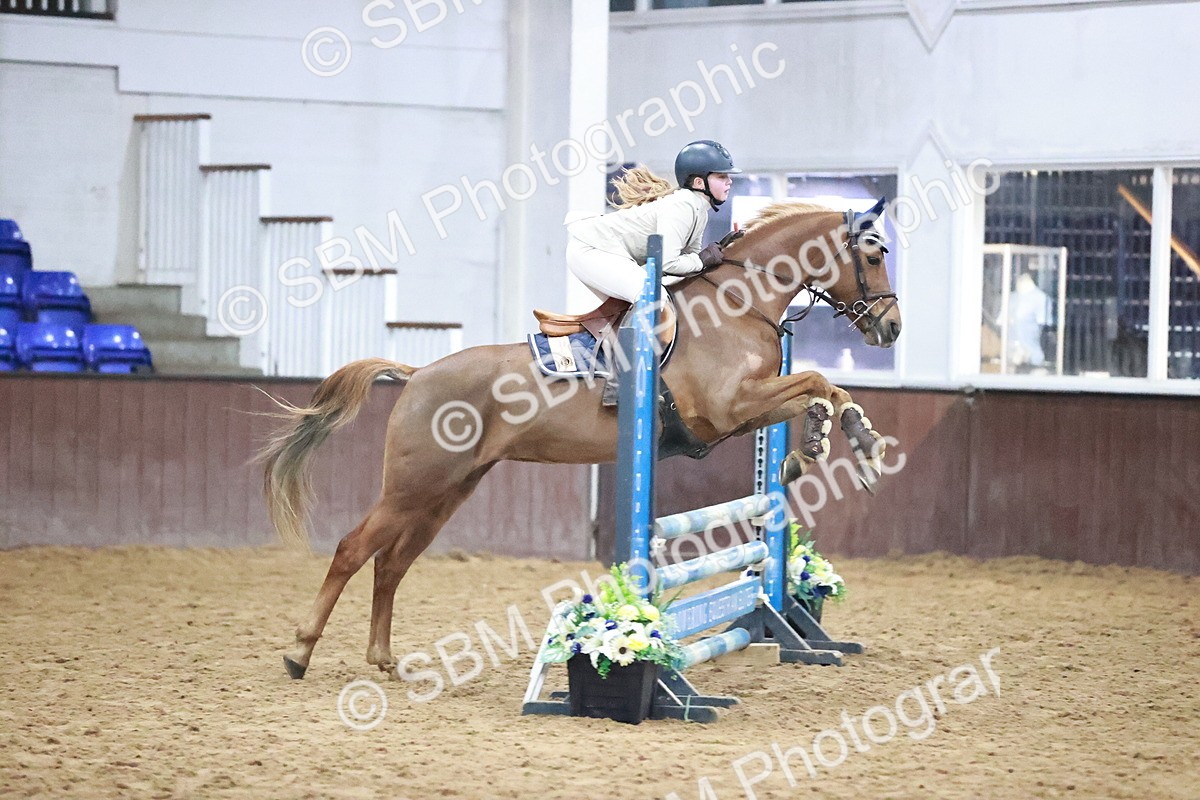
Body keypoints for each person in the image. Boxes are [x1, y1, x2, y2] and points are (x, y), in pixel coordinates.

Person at [566, 140, 741, 304]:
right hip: (592, 250)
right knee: (655, 299)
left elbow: (689, 262)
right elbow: (669, 262)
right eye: (721, 176)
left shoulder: (700, 210)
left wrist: (723, 250)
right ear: (699, 182)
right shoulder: (683, 206)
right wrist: (702, 260)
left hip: (604, 253)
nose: (729, 181)